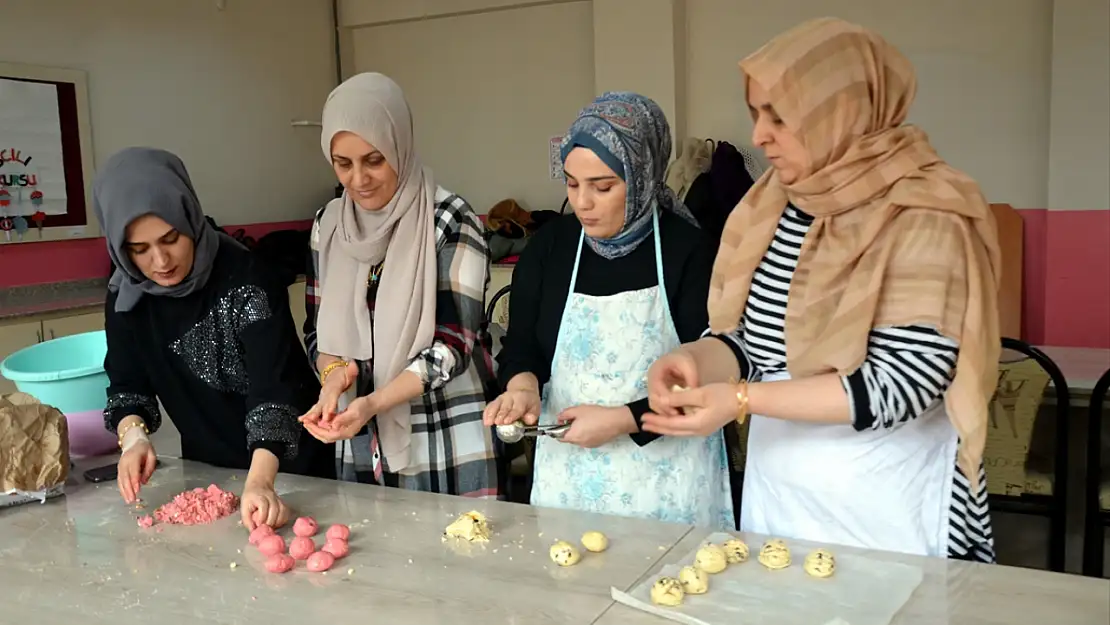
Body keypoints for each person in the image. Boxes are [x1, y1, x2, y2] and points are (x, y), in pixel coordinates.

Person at [644, 17, 1002, 562]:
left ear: (840, 113)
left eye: (781, 118)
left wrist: (742, 399)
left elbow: (905, 382)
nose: (760, 136)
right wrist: (693, 361)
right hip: (784, 502)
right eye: (755, 113)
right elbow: (751, 343)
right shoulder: (777, 207)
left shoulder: (925, 214)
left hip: (887, 508)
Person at [485, 92, 733, 528]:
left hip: (670, 486)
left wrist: (622, 421)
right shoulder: (550, 248)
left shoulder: (688, 251)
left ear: (641, 177)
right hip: (569, 481)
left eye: (602, 187)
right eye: (572, 183)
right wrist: (521, 387)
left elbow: (714, 375)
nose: (582, 202)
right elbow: (523, 344)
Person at [96, 147, 334, 530]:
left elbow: (275, 392)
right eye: (139, 250)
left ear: (189, 219)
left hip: (290, 471)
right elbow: (127, 384)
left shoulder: (247, 278)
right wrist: (133, 436)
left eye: (170, 238)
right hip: (208, 474)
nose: (160, 262)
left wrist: (260, 482)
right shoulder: (127, 296)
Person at [298, 73, 500, 498]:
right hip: (357, 434)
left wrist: (374, 402)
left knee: (454, 555)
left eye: (374, 160)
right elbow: (319, 330)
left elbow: (453, 344)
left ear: (400, 147)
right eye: (343, 163)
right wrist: (334, 378)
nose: (359, 179)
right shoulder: (329, 226)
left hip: (441, 428)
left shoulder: (447, 219)